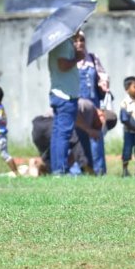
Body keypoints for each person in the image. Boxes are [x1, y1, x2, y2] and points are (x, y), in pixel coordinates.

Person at [30, 98, 102, 176]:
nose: (99, 128)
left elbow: (76, 149)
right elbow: (74, 113)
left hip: (39, 128)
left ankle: (37, 164)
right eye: (100, 125)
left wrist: (66, 166)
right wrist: (89, 130)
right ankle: (88, 169)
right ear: (101, 114)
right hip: (51, 123)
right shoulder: (89, 107)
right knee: (82, 134)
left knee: (52, 166)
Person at [73, 31, 110, 175]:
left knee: (96, 138)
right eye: (75, 41)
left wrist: (103, 83)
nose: (79, 43)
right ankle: (80, 171)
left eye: (82, 40)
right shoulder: (70, 61)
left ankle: (99, 171)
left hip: (93, 105)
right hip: (77, 107)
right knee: (78, 138)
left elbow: (102, 75)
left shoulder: (93, 59)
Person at [47, 35, 79, 175]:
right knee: (63, 134)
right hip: (65, 96)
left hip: (59, 94)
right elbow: (63, 65)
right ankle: (60, 170)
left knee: (58, 133)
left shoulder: (58, 43)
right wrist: (78, 57)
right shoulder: (64, 43)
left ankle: (56, 169)